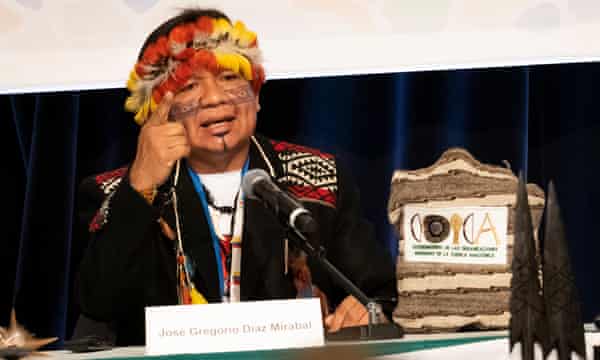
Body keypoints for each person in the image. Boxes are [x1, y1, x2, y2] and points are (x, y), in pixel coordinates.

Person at [78, 8, 397, 346]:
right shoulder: (113, 192)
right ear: (160, 112)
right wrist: (140, 184)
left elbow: (377, 292)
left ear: (256, 94)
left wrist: (366, 309)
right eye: (189, 86)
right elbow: (98, 303)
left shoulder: (321, 177)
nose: (215, 98)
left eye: (230, 78)